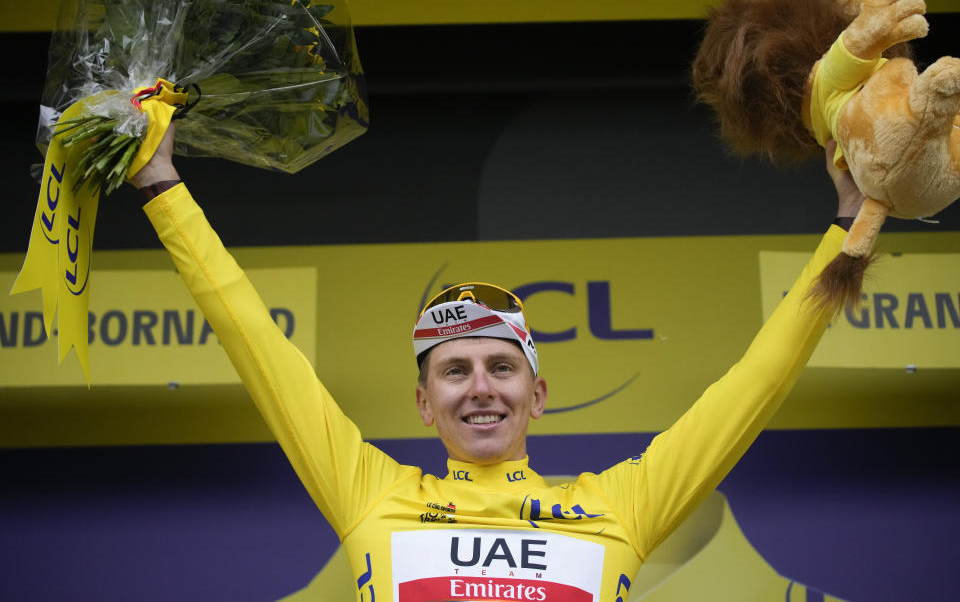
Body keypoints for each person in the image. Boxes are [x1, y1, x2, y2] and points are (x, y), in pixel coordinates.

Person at [132, 125, 863, 601]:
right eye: (454, 370)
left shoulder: (617, 508)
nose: (480, 387)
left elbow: (755, 383)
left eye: (499, 367)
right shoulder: (369, 495)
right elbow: (254, 341)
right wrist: (162, 185)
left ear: (537, 393)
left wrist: (848, 226)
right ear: (424, 402)